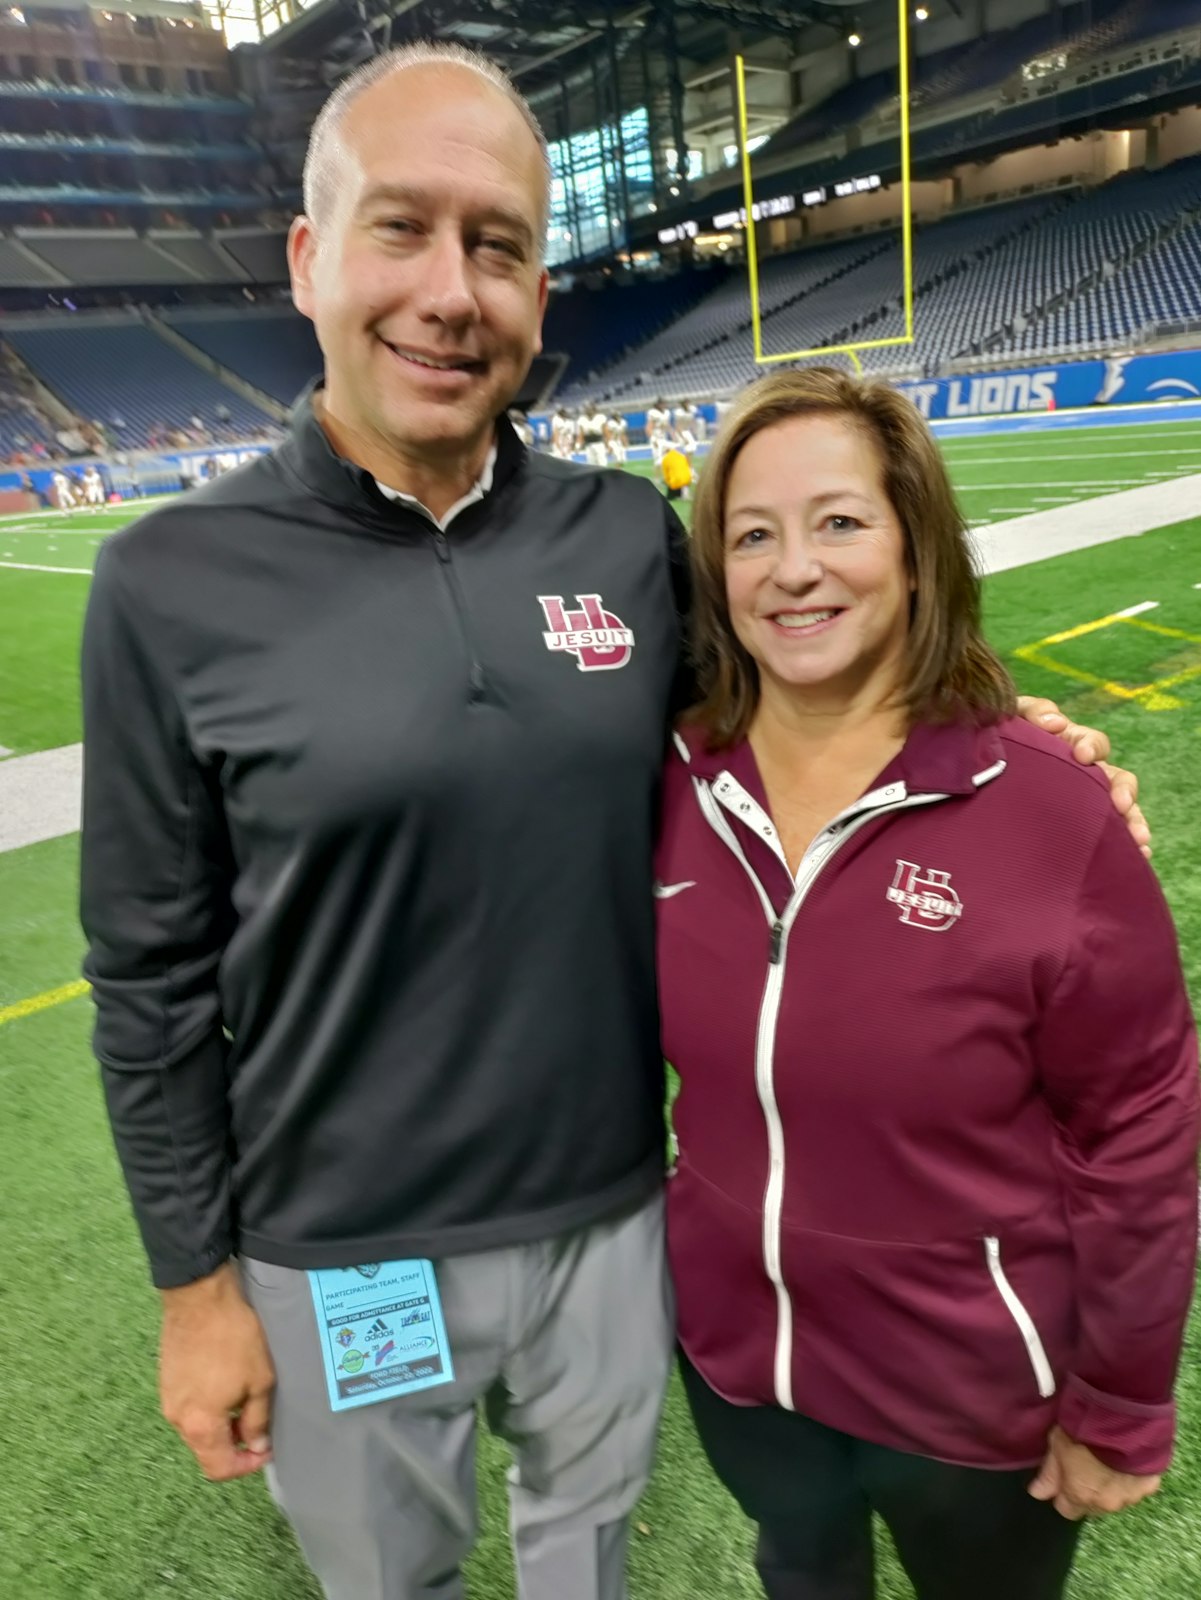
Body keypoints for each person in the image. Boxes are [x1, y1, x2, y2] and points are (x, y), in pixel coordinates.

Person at [80, 43, 1144, 1600]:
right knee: (395, 1581)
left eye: (498, 245)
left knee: (585, 1568)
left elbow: (806, 711)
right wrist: (195, 1289)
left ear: (537, 292)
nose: (451, 290)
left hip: (611, 1218)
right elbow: (147, 977)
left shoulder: (623, 538)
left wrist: (1011, 754)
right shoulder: (167, 586)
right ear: (308, 261)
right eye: (401, 229)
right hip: (348, 1252)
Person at [654, 369, 1199, 1600]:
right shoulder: (671, 793)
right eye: (753, 534)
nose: (793, 568)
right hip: (747, 1371)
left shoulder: (1051, 813)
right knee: (799, 1571)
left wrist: (1120, 1399)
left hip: (967, 1405)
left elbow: (1140, 1129)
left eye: (839, 521)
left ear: (915, 551)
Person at [577, 397, 608, 465]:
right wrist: (578, 445)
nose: (588, 410)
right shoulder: (582, 419)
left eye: (589, 408)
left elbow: (606, 432)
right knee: (591, 464)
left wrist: (608, 444)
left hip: (599, 443)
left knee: (602, 463)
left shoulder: (600, 417)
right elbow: (581, 434)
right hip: (589, 444)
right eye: (586, 408)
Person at [645, 396, 671, 464]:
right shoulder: (653, 412)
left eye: (664, 403)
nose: (664, 405)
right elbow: (648, 427)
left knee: (667, 457)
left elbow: (667, 425)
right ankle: (657, 475)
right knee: (658, 461)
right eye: (662, 403)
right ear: (657, 404)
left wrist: (673, 434)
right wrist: (653, 439)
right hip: (656, 436)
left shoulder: (666, 412)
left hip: (663, 436)